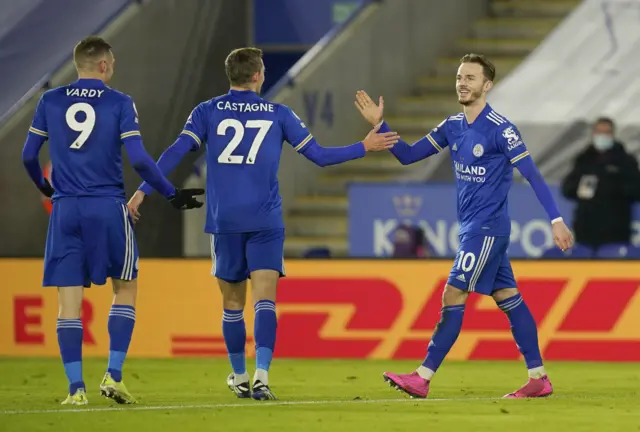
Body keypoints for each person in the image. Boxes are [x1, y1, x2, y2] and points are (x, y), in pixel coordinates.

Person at [126, 47, 399, 400]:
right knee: (265, 301)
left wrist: (143, 191)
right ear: (257, 75)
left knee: (233, 305)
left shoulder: (207, 111)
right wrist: (363, 146)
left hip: (225, 221)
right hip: (265, 220)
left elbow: (175, 153)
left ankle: (239, 375)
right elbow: (319, 156)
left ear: (231, 75)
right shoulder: (279, 114)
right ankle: (262, 376)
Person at [354, 53, 574, 399]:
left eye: (470, 78)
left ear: (487, 85)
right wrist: (380, 126)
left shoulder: (502, 129)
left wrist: (556, 220)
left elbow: (532, 174)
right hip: (473, 228)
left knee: (452, 293)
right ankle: (538, 379)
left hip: (487, 228)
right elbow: (410, 155)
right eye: (459, 77)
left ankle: (422, 377)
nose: (462, 83)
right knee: (509, 297)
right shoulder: (452, 126)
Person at [21, 36, 204, 406]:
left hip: (66, 207)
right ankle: (113, 376)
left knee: (68, 303)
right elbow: (137, 159)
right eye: (113, 61)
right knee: (126, 287)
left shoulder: (50, 101)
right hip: (106, 205)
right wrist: (169, 192)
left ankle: (76, 390)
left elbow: (28, 155)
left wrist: (47, 187)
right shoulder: (119, 102)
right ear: (103, 65)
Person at [561, 117, 640, 250]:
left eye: (606, 132)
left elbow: (637, 190)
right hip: (586, 230)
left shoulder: (625, 161)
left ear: (613, 135)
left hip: (616, 230)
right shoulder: (583, 159)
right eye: (599, 132)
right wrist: (580, 189)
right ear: (593, 134)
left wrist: (611, 187)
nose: (602, 136)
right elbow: (567, 189)